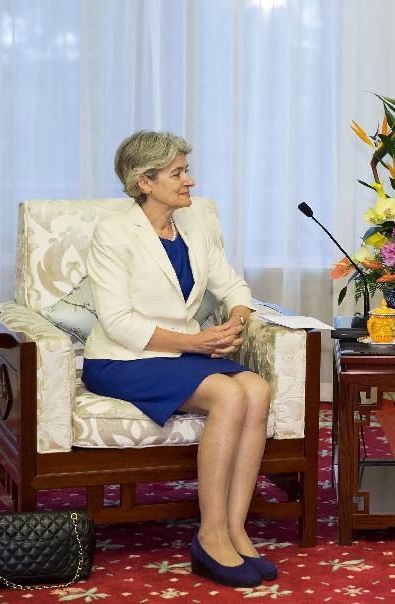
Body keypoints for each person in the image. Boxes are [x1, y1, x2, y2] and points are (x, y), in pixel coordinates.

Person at [83, 131, 275, 588]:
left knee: (258, 388)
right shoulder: (112, 234)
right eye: (178, 173)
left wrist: (236, 322)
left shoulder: (197, 226)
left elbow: (234, 287)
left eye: (186, 170)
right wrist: (200, 344)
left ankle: (234, 528)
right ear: (144, 181)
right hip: (122, 358)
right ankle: (209, 538)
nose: (190, 180)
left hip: (183, 350)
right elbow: (119, 323)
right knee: (229, 395)